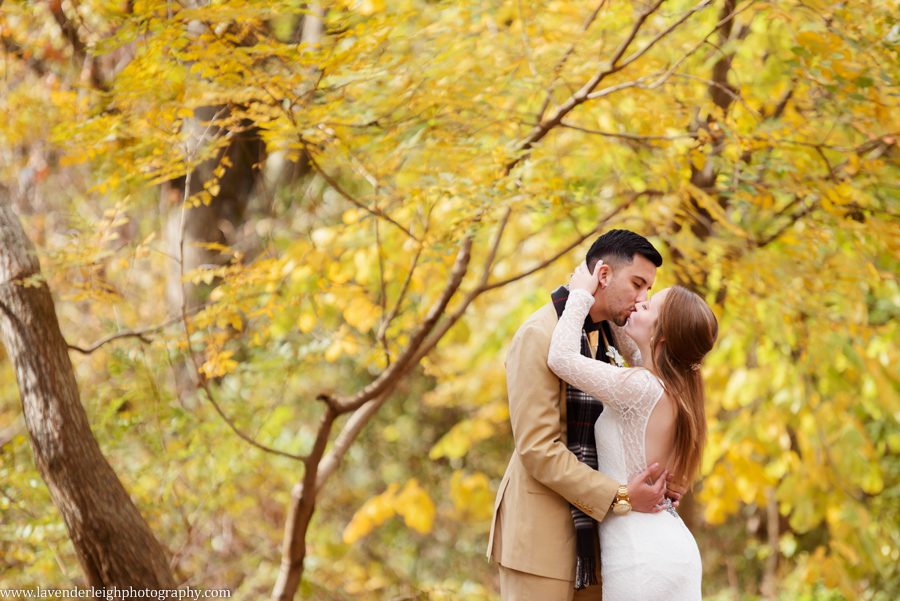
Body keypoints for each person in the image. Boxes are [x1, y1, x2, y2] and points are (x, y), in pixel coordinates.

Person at [487, 230, 676, 601]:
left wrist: (662, 484)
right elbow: (538, 449)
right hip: (540, 541)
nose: (643, 300)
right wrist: (621, 496)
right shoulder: (539, 335)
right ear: (603, 275)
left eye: (649, 290)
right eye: (638, 284)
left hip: (600, 538)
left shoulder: (611, 339)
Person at [547, 259, 718, 600]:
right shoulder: (673, 388)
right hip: (667, 546)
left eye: (650, 305)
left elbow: (561, 358)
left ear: (663, 333)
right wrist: (613, 296)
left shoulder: (640, 387)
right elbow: (635, 346)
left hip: (640, 555)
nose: (640, 303)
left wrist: (580, 294)